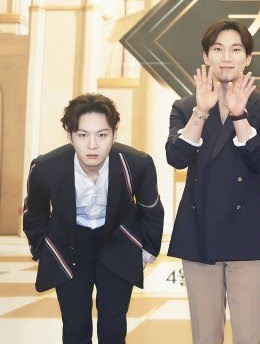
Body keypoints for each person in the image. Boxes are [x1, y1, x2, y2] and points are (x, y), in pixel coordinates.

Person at [166, 20, 260, 344]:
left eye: (235, 49)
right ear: (206, 56)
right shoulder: (185, 106)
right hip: (198, 229)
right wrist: (201, 112)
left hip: (247, 232)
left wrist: (240, 116)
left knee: (250, 335)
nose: (226, 57)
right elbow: (176, 157)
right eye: (218, 49)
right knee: (205, 336)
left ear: (248, 58)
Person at [23, 93, 164, 344]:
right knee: (74, 325)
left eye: (102, 135)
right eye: (82, 135)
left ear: (114, 134)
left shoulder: (137, 164)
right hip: (69, 245)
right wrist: (42, 251)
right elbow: (35, 214)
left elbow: (151, 209)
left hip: (117, 242)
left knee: (113, 324)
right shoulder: (46, 168)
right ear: (70, 136)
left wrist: (145, 252)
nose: (92, 145)